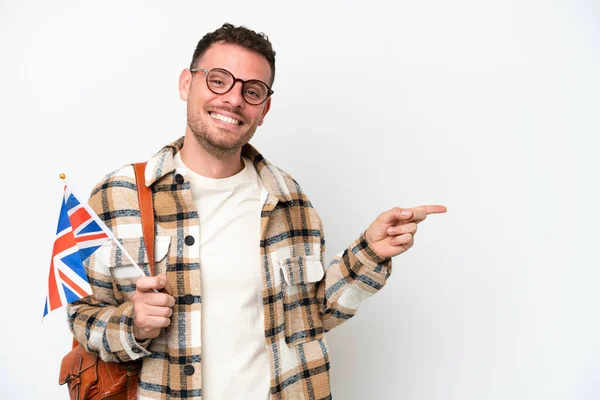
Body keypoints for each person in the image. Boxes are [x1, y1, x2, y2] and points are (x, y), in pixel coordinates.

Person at [67, 22, 446, 400]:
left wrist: (370, 253)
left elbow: (312, 316)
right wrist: (132, 325)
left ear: (263, 109)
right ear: (187, 84)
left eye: (251, 91)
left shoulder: (289, 201)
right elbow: (81, 316)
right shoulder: (118, 196)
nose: (233, 100)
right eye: (218, 80)